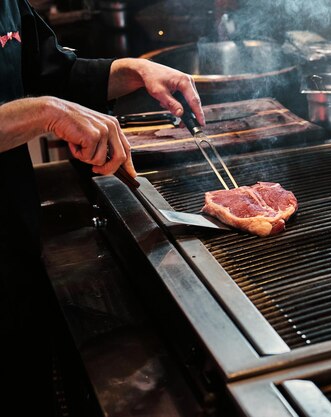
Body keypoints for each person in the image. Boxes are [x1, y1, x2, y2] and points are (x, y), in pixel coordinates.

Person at [0, 0, 205, 414]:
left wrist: (135, 71)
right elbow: (47, 100)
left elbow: (53, 73)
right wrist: (47, 112)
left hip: (13, 246)